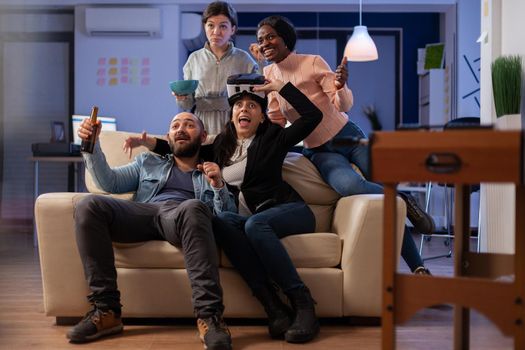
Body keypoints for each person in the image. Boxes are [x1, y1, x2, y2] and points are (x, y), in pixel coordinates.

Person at [125, 74, 323, 343]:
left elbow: (312, 118)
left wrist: (282, 89)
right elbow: (185, 146)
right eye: (239, 106)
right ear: (231, 116)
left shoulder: (273, 139)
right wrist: (146, 143)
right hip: (250, 221)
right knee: (222, 221)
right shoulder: (221, 147)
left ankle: (303, 303)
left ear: (262, 117)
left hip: (289, 210)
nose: (244, 109)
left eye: (252, 106)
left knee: (256, 224)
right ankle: (274, 308)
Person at [253, 15, 433, 275]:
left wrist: (340, 86)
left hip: (348, 135)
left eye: (270, 36)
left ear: (285, 38)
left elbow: (343, 105)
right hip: (318, 150)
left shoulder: (311, 62)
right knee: (352, 186)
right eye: (260, 40)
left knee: (384, 199)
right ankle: (403, 200)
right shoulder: (268, 74)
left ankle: (417, 266)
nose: (265, 43)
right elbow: (278, 119)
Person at [69, 112, 236, 350]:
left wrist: (218, 185)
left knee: (193, 207)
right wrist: (92, 146)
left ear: (203, 136)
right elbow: (109, 183)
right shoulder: (147, 162)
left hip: (180, 217)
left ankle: (209, 317)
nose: (180, 129)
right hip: (143, 212)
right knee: (89, 204)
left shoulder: (212, 171)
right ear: (168, 136)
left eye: (189, 125)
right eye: (175, 125)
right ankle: (106, 311)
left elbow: (229, 216)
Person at [174, 1, 258, 137]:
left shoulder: (244, 59)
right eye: (211, 25)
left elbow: (258, 93)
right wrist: (181, 97)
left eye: (223, 26)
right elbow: (187, 104)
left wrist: (262, 62)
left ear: (233, 29)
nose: (216, 32)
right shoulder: (194, 59)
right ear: (204, 27)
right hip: (200, 123)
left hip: (234, 121)